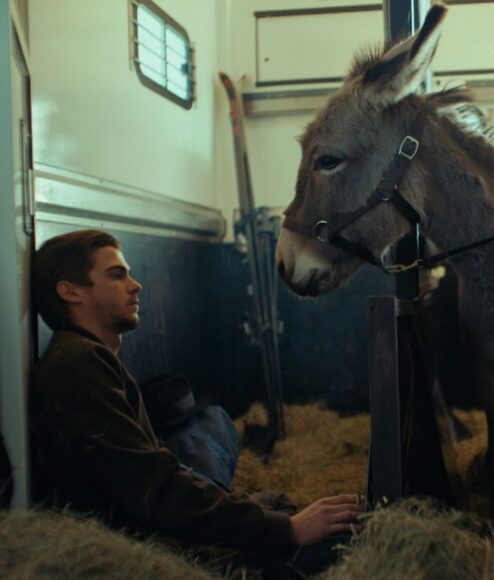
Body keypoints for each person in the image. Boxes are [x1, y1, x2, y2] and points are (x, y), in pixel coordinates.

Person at [30, 229, 364, 576]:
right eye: (116, 275)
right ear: (70, 291)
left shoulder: (86, 357)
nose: (135, 285)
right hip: (142, 553)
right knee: (326, 544)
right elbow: (154, 492)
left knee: (279, 505)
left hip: (155, 533)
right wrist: (288, 529)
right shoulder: (77, 364)